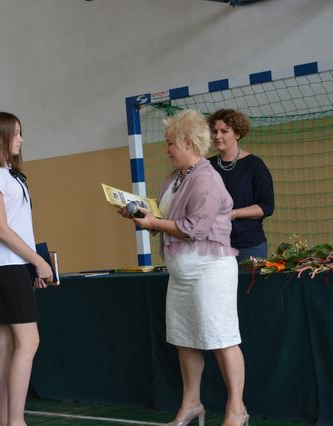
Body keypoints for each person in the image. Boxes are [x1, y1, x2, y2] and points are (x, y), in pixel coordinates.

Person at [118, 110, 249, 426]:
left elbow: (195, 229)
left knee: (222, 339)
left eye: (170, 143)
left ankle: (237, 409)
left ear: (188, 143)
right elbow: (166, 218)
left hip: (210, 270)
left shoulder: (206, 178)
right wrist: (141, 216)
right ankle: (192, 404)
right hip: (181, 273)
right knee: (185, 339)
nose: (167, 150)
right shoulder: (176, 177)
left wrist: (153, 222)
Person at [0, 111, 53, 426]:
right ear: (0, 137)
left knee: (6, 345)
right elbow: (1, 229)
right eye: (16, 133)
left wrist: (31, 266)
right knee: (29, 341)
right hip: (6, 266)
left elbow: (18, 227)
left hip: (13, 266)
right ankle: (16, 421)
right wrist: (38, 261)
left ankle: (2, 421)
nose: (21, 139)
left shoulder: (9, 175)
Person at [208, 109, 274, 262]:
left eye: (224, 131)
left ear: (237, 134)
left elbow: (266, 206)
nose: (217, 136)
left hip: (248, 245)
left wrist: (232, 214)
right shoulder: (206, 166)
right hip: (214, 245)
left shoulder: (255, 165)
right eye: (215, 131)